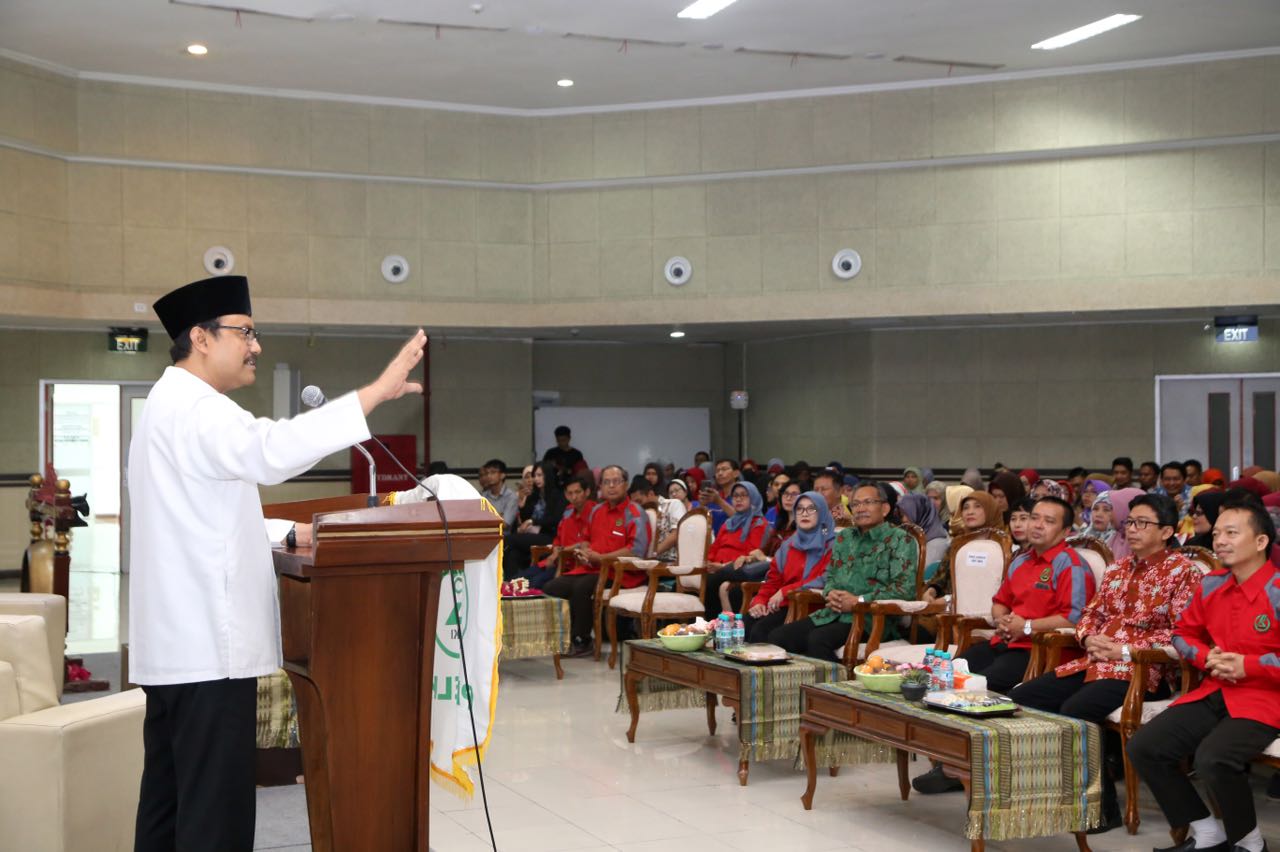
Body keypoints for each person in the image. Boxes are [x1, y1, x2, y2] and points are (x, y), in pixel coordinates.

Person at [130, 275, 427, 852]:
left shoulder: (166, 404)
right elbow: (270, 451)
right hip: (208, 653)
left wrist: (291, 530)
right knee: (213, 821)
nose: (256, 346)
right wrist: (375, 394)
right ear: (201, 337)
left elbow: (201, 512)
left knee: (169, 809)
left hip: (177, 650)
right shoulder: (199, 409)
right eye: (244, 332)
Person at [1009, 494, 1201, 832]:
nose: (1133, 529)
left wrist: (1125, 650)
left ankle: (1102, 808)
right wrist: (1088, 638)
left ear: (1168, 530)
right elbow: (1089, 615)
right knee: (1024, 698)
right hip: (1095, 662)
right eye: (1130, 522)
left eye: (1143, 523)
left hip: (1145, 671)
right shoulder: (1117, 568)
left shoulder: (1182, 573)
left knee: (1075, 710)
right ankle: (1052, 792)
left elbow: (1183, 637)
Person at [1126, 495, 1280, 852]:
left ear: (1261, 542)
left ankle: (1249, 843)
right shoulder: (1211, 584)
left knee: (1213, 757)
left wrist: (1249, 665)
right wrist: (1204, 655)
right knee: (1145, 747)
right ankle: (1207, 832)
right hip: (1217, 689)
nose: (1220, 540)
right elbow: (1182, 633)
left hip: (1267, 698)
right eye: (1218, 533)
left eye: (1231, 533)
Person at [914, 496, 1095, 794]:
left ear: (1065, 532)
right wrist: (1004, 620)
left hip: (1043, 650)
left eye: (1049, 522)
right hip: (1007, 640)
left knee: (983, 684)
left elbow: (1075, 619)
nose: (1037, 525)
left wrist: (1025, 626)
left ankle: (975, 767)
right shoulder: (1022, 560)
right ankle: (952, 760)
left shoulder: (1071, 565)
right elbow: (1000, 602)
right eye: (1035, 517)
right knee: (948, 675)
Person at [766, 483, 917, 660]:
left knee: (818, 639)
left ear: (884, 508)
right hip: (832, 613)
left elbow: (904, 590)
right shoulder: (845, 538)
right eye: (855, 504)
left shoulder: (901, 540)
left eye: (868, 502)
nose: (861, 509)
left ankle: (832, 686)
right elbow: (831, 576)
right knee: (778, 637)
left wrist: (857, 601)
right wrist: (830, 593)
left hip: (872, 619)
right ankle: (796, 685)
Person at [544, 465, 649, 656]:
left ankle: (582, 640)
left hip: (621, 573)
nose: (611, 486)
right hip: (592, 568)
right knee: (553, 586)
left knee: (582, 587)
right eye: (606, 482)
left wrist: (601, 558)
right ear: (600, 486)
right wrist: (583, 551)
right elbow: (586, 540)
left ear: (625, 485)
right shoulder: (597, 511)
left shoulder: (634, 512)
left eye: (616, 481)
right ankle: (560, 639)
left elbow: (636, 551)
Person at [742, 492, 835, 642]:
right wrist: (760, 601)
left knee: (761, 631)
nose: (804, 513)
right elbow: (773, 580)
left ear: (822, 513)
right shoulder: (788, 545)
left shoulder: (832, 545)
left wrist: (786, 591)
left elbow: (824, 579)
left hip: (810, 605)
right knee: (743, 625)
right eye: (799, 509)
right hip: (781, 604)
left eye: (811, 509)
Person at [702, 482, 770, 619]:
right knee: (695, 580)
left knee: (710, 582)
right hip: (718, 567)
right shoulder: (729, 523)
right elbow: (715, 547)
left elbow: (751, 555)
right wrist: (709, 562)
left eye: (744, 495)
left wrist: (721, 566)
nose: (738, 499)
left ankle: (713, 626)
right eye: (735, 496)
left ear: (754, 498)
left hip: (739, 568)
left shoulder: (759, 524)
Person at [518, 475, 595, 589]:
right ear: (565, 495)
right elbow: (558, 538)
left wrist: (559, 553)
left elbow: (588, 543)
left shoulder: (595, 512)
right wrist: (555, 552)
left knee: (533, 584)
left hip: (574, 566)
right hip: (555, 560)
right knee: (516, 581)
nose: (574, 497)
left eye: (577, 492)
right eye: (570, 493)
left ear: (587, 492)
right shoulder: (568, 511)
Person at [506, 460, 565, 579]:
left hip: (549, 536)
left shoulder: (557, 495)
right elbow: (526, 518)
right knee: (512, 553)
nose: (536, 479)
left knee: (509, 540)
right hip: (532, 535)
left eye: (540, 475)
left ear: (548, 475)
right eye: (534, 476)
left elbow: (555, 519)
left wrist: (532, 522)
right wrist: (522, 506)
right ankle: (513, 584)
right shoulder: (534, 495)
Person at [699, 457, 742, 533]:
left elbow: (742, 520)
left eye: (724, 469)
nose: (720, 473)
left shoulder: (743, 495)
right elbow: (699, 521)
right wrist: (702, 505)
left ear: (736, 473)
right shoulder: (713, 495)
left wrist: (719, 501)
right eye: (717, 471)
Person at [477, 458, 519, 529]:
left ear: (502, 475)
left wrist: (486, 517)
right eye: (487, 473)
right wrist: (498, 515)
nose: (489, 476)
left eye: (493, 472)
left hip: (504, 537)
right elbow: (477, 519)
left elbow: (504, 524)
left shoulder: (511, 497)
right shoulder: (483, 496)